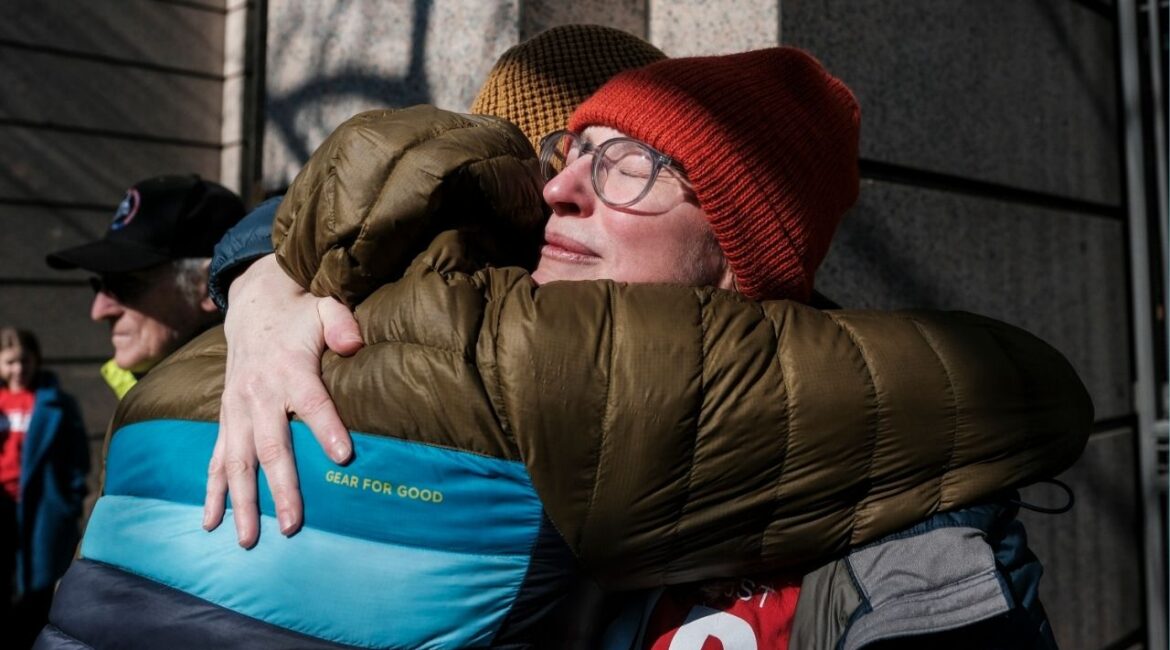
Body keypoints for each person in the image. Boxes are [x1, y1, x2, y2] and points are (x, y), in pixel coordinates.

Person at [43, 45, 1089, 649]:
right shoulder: (448, 352)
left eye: (630, 164)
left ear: (738, 251)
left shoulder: (898, 520)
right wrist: (263, 277)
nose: (560, 188)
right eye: (569, 153)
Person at [46, 175, 245, 398]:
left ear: (210, 286)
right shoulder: (156, 398)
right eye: (99, 285)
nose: (98, 311)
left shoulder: (244, 412)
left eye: (124, 284)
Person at [0, 328, 88, 649]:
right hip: (3, 505)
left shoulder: (56, 403)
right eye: (10, 362)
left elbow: (77, 457)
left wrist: (68, 503)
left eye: (24, 361)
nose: (18, 369)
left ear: (36, 360)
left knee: (39, 586)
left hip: (42, 507)